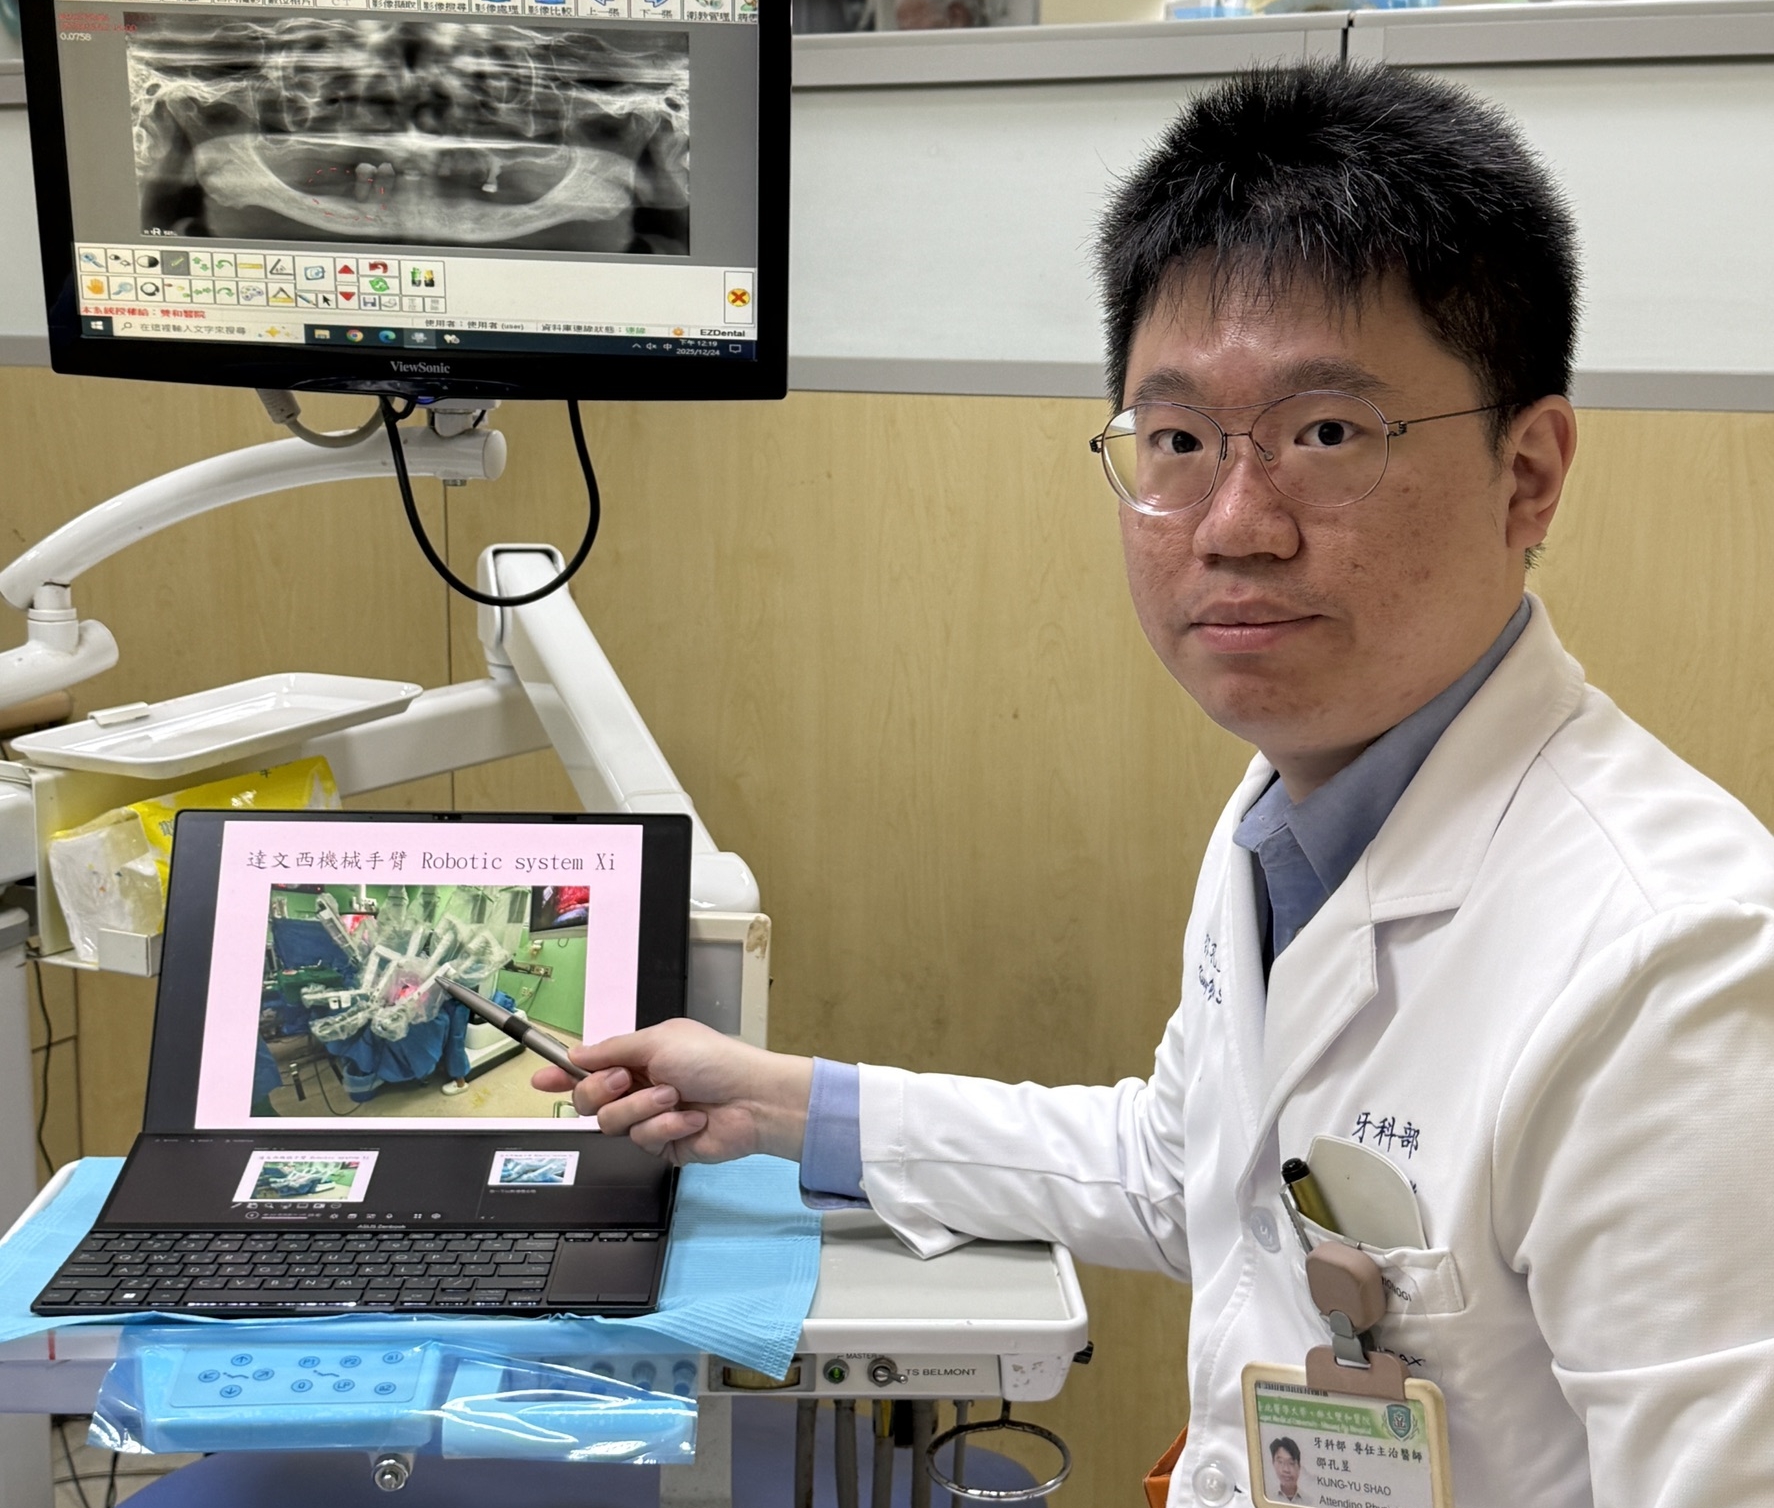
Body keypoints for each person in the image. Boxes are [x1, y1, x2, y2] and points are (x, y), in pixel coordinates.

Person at [534, 63, 1774, 1507]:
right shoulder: (1292, 812)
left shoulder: (1677, 972)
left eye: (1325, 434)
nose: (1234, 526)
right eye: (1176, 441)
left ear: (1528, 472)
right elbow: (1183, 1165)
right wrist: (780, 1102)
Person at [1269, 1437, 1308, 1504]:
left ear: (1299, 1466)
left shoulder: (1309, 1501)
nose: (1286, 1469)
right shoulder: (1268, 1497)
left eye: (1291, 1463)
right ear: (1273, 1463)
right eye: (1280, 1462)